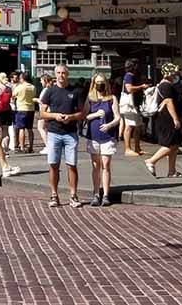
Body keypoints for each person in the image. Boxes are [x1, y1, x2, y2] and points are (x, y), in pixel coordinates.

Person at [39, 64, 88, 208]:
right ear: (55, 75)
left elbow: (82, 114)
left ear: (68, 74)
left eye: (63, 73)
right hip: (54, 132)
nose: (61, 75)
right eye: (58, 73)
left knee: (71, 165)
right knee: (53, 165)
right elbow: (42, 113)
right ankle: (54, 194)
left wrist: (71, 117)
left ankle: (73, 195)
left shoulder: (76, 91)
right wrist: (55, 116)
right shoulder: (50, 91)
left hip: (70, 134)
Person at [85, 73, 121, 206]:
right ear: (93, 84)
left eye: (102, 82)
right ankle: (96, 193)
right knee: (96, 165)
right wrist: (95, 115)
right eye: (97, 82)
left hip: (107, 136)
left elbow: (118, 117)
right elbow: (85, 115)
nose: (100, 85)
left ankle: (106, 194)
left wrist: (109, 125)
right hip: (93, 135)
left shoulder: (112, 98)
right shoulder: (90, 98)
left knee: (106, 165)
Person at [145, 63, 182, 178]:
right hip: (168, 119)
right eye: (174, 73)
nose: (176, 75)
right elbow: (168, 102)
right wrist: (175, 119)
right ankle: (151, 161)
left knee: (175, 144)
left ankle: (172, 171)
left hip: (164, 118)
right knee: (170, 144)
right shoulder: (166, 86)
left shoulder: (162, 85)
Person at [120, 60, 150, 156]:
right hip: (129, 105)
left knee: (137, 126)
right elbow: (129, 88)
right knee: (129, 126)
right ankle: (127, 149)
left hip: (134, 105)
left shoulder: (132, 76)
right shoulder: (129, 75)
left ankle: (137, 148)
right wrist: (141, 86)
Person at [12, 72, 37, 154]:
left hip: (21, 109)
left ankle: (22, 147)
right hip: (31, 109)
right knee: (30, 129)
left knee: (21, 128)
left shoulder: (20, 87)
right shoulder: (33, 87)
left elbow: (13, 95)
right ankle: (31, 147)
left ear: (22, 78)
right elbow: (34, 96)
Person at [37, 73, 53, 154]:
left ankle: (48, 146)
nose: (40, 82)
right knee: (46, 128)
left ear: (45, 81)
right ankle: (49, 145)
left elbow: (43, 101)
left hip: (45, 111)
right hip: (48, 111)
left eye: (41, 80)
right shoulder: (50, 89)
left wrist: (36, 100)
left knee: (40, 127)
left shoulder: (46, 90)